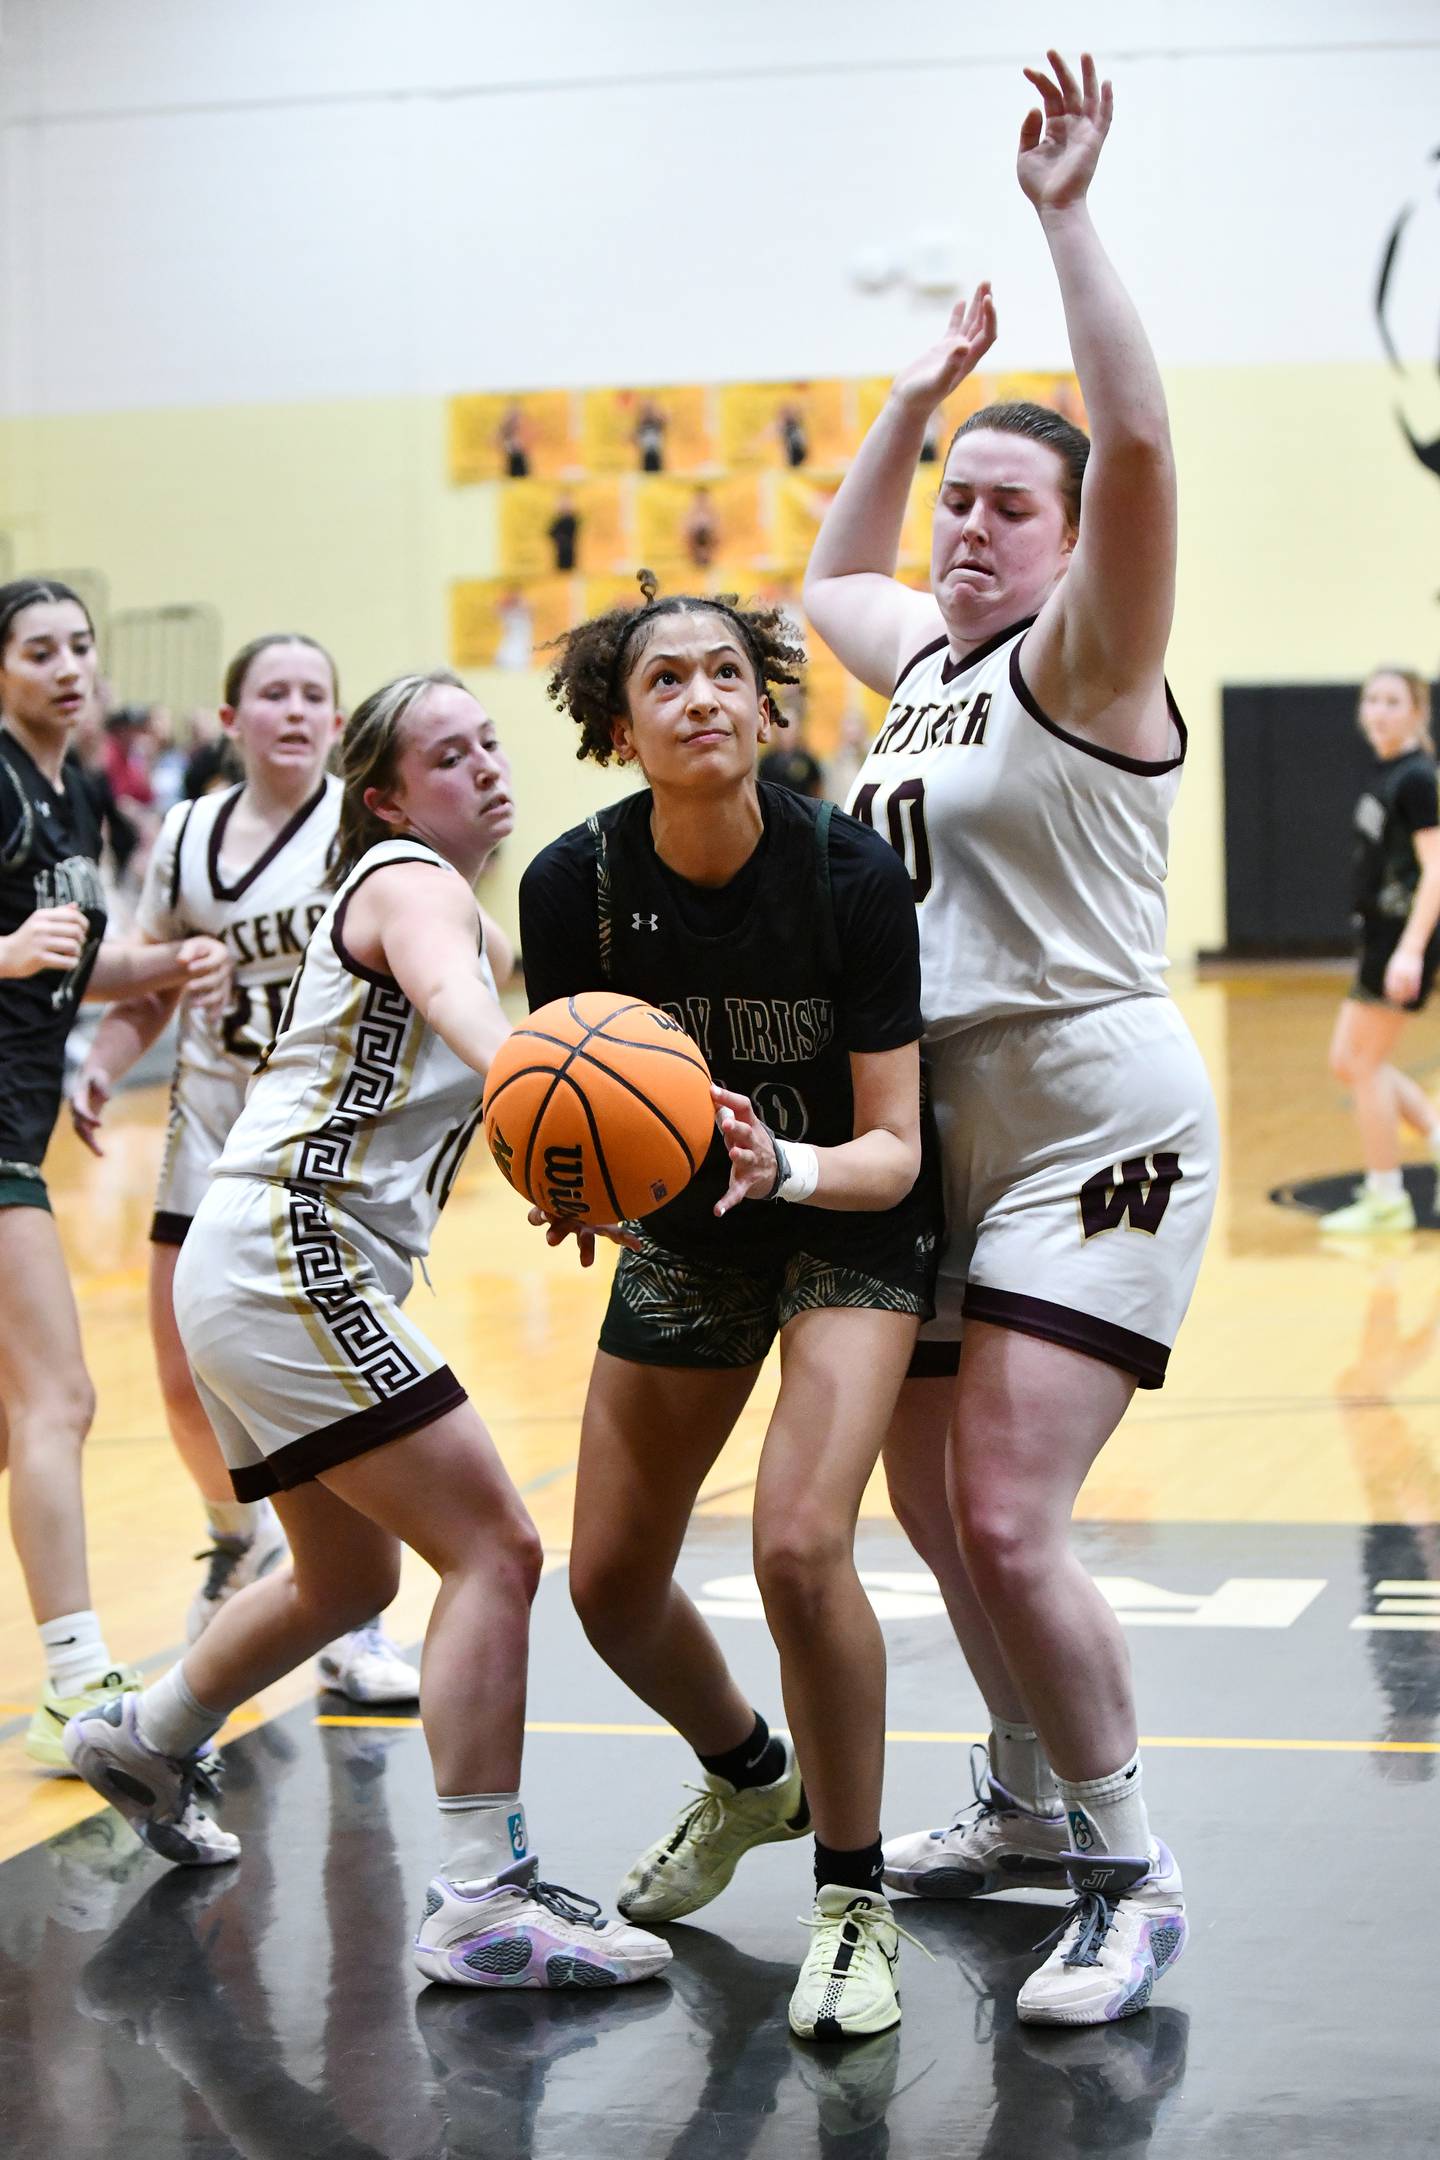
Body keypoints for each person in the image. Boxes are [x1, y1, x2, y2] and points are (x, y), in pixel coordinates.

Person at [802, 51, 1214, 2026]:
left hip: (1091, 1116)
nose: (964, 528)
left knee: (999, 1509)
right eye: (956, 502)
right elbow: (822, 582)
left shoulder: (1086, 657)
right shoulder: (930, 666)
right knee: (922, 1505)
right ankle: (1033, 1803)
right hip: (942, 1129)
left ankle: (1134, 1874)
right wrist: (911, 398)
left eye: (1000, 504)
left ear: (1065, 542)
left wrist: (1065, 223)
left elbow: (1134, 443)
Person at [64, 668, 667, 1990]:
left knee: (350, 1584)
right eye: (450, 756)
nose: (488, 768)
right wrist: (549, 1092)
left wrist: (560, 1170)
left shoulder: (438, 907)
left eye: (492, 745)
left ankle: (150, 1738)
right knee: (498, 1550)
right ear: (385, 797)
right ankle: (483, 1898)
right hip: (294, 1253)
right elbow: (466, 1015)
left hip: (249, 1257)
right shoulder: (411, 881)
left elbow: (458, 1068)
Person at [519, 577, 941, 2040]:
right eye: (664, 683)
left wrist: (789, 1162)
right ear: (620, 730)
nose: (700, 698)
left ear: (769, 707)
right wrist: (570, 1179)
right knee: (608, 1585)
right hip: (693, 1235)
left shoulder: (847, 876)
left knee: (797, 1545)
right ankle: (755, 1776)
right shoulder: (574, 889)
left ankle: (854, 1895)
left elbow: (898, 1144)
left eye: (725, 675)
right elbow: (558, 1099)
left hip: (846, 1215)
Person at [70, 634, 420, 1704]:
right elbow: (150, 986)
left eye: (317, 692)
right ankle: (239, 1538)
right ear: (231, 721)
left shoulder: (365, 826)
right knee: (182, 1382)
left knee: (333, 1391)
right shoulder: (184, 836)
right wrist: (103, 1068)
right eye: (274, 693)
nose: (297, 710)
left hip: (323, 1144)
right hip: (211, 1128)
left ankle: (355, 1617)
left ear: (336, 717)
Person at [0, 578, 232, 1765]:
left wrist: (168, 963)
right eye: (39, 649)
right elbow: (21, 954)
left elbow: (69, 967)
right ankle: (76, 1678)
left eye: (82, 645)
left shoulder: (74, 788)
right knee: (59, 1398)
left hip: (22, 1119)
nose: (69, 665)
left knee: (15, 1423)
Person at [1319, 667, 1440, 1231]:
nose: (1379, 711)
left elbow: (1436, 870)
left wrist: (1412, 949)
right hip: (1381, 938)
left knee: (1361, 1062)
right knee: (1351, 1060)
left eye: (1393, 701)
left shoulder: (1418, 778)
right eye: (1371, 700)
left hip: (1403, 940)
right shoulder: (1386, 772)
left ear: (1418, 711)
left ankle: (1387, 1196)